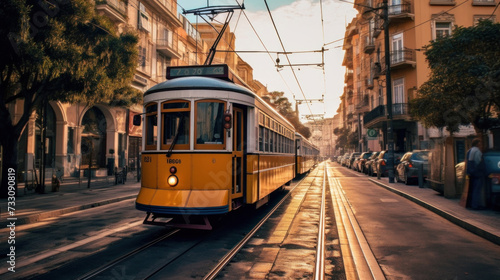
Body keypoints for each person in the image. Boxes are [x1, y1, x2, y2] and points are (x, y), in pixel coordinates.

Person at [466, 138, 486, 210]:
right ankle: (475, 205)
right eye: (479, 143)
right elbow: (478, 161)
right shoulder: (477, 151)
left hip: (471, 172)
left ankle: (471, 204)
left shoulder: (470, 150)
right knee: (477, 189)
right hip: (477, 172)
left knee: (472, 189)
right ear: (477, 143)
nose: (480, 144)